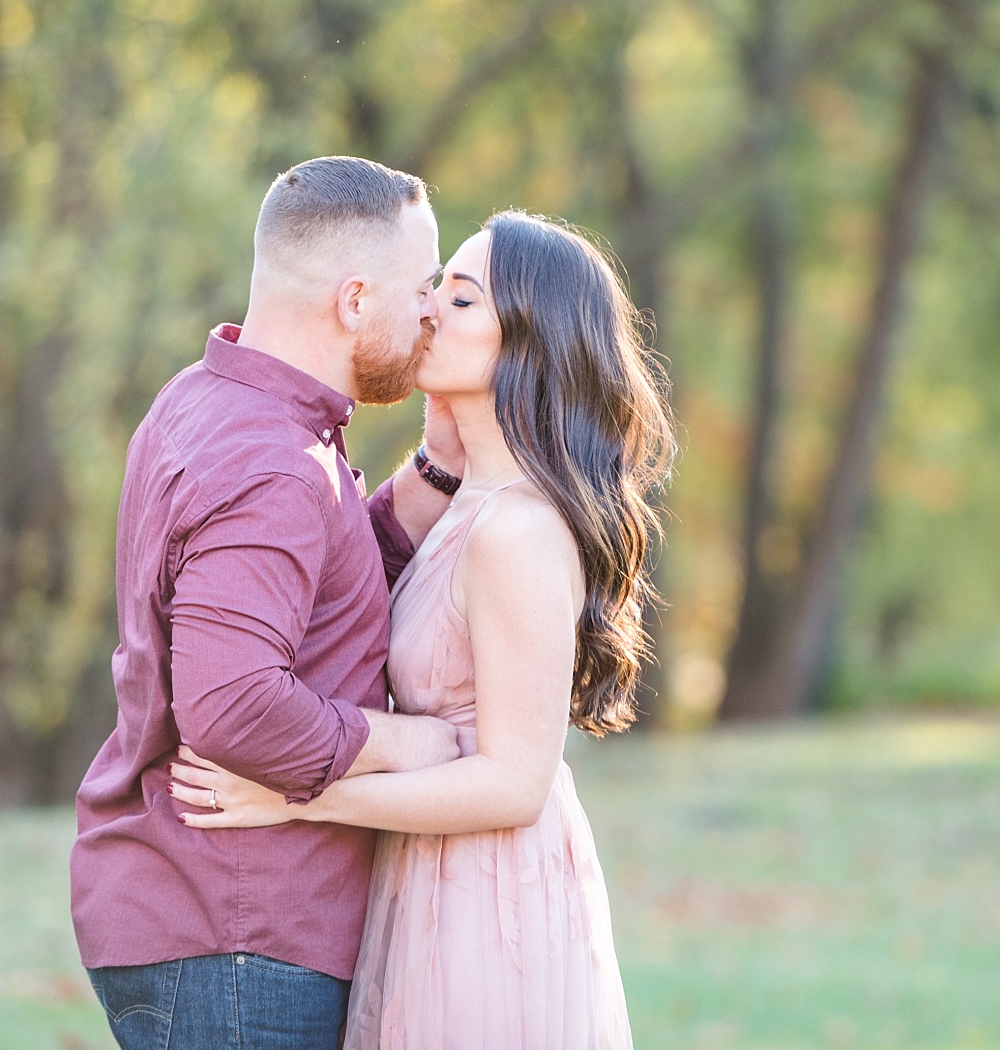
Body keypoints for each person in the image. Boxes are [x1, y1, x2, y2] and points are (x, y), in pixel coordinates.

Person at [168, 210, 674, 1048]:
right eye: (436, 284)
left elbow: (516, 782)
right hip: (428, 873)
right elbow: (353, 584)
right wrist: (436, 461)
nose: (429, 306)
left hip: (491, 895)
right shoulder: (466, 505)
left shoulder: (517, 531)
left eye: (463, 297)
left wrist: (299, 798)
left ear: (527, 346)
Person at [70, 156, 470, 1049]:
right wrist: (406, 743)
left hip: (204, 922)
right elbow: (233, 699)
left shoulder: (213, 404)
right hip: (238, 937)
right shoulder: (273, 465)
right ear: (355, 300)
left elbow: (315, 584)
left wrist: (435, 471)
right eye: (423, 284)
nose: (432, 309)